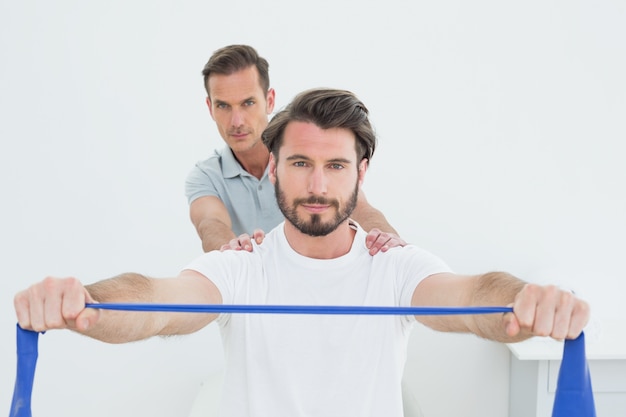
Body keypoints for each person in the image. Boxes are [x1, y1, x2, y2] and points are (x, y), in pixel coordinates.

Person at [15, 88, 590, 417]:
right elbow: (157, 302)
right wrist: (84, 302)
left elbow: (473, 297)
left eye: (335, 165)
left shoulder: (394, 265)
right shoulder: (241, 266)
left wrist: (526, 301)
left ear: (361, 174)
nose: (317, 185)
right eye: (300, 164)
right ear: (274, 176)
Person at [185, 44, 405, 254]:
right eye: (223, 105)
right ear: (210, 108)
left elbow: (358, 206)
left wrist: (387, 239)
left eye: (248, 103)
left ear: (269, 100)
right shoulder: (206, 176)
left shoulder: (305, 150)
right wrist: (230, 251)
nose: (236, 121)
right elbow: (210, 223)